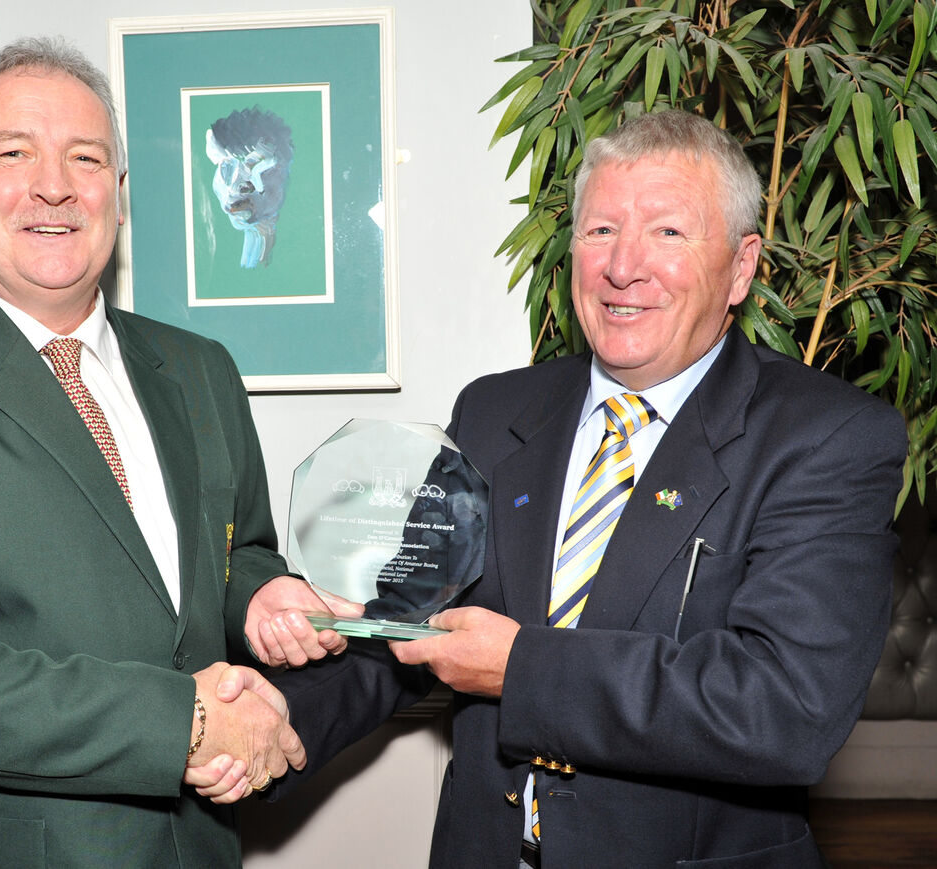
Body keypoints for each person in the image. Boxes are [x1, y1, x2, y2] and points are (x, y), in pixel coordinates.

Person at [253, 110, 908, 867]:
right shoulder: (494, 413)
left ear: (741, 266)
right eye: (599, 231)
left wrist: (522, 667)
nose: (623, 265)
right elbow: (408, 624)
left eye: (667, 232)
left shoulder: (826, 436)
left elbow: (785, 707)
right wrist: (270, 722)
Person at [0, 36, 348, 868]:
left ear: (118, 195)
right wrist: (185, 723)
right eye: (13, 152)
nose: (53, 185)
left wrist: (262, 597)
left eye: (84, 157)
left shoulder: (201, 370)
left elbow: (237, 551)